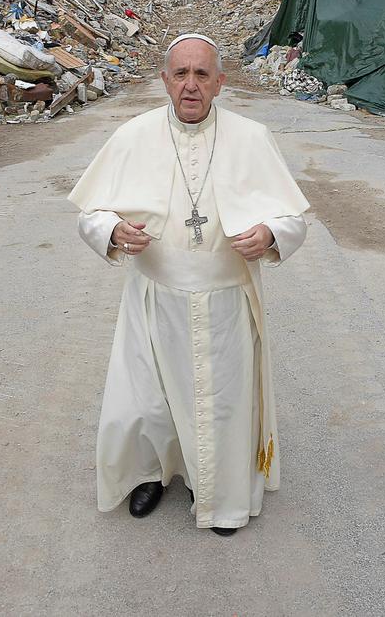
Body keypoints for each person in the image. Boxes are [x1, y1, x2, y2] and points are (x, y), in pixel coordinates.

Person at [68, 33, 309, 536]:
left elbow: (294, 220)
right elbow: (90, 213)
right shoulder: (133, 135)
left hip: (226, 300)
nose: (191, 85)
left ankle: (219, 494)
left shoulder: (252, 138)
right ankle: (152, 474)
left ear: (221, 82)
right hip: (154, 296)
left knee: (220, 403)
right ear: (165, 80)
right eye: (181, 74)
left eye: (202, 74)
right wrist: (111, 230)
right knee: (149, 399)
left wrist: (269, 233)